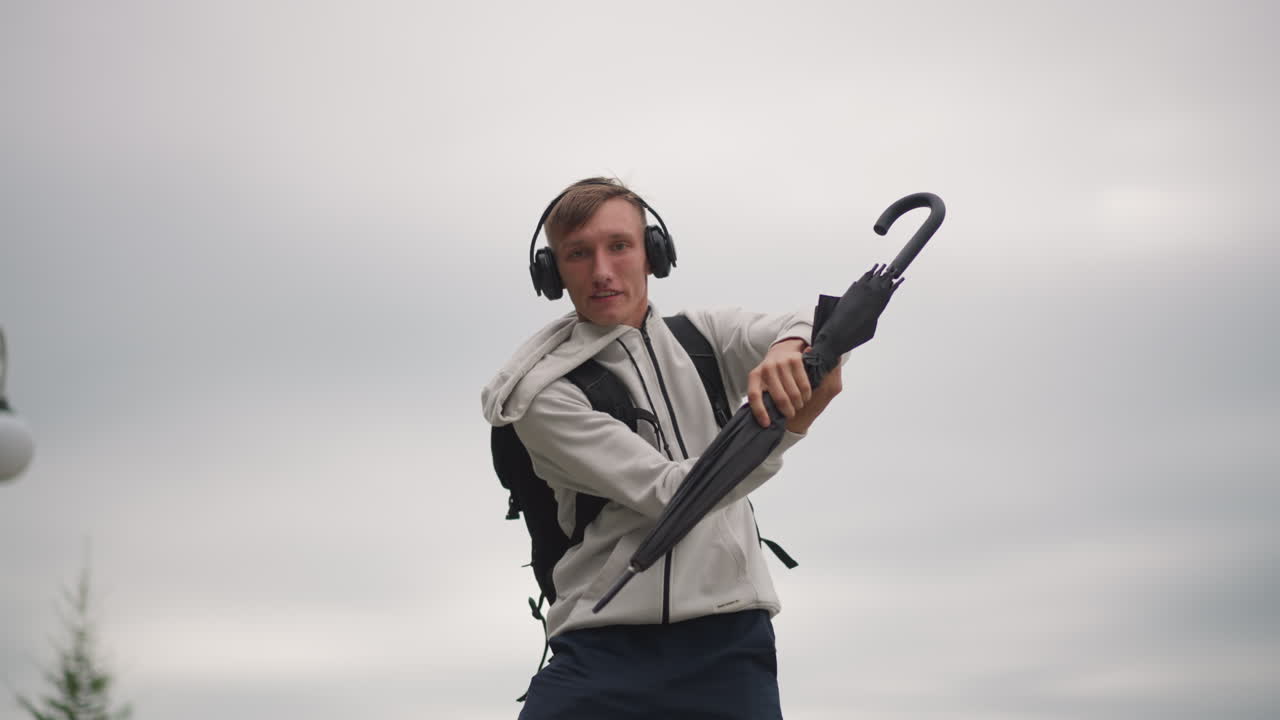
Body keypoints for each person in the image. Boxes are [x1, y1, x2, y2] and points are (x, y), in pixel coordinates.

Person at [480, 177, 845, 719]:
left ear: (653, 253)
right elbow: (673, 497)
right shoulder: (541, 396)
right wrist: (789, 427)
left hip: (729, 645)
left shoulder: (704, 335)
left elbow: (820, 324)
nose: (602, 271)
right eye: (579, 254)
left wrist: (792, 347)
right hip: (602, 650)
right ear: (553, 272)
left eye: (619, 246)